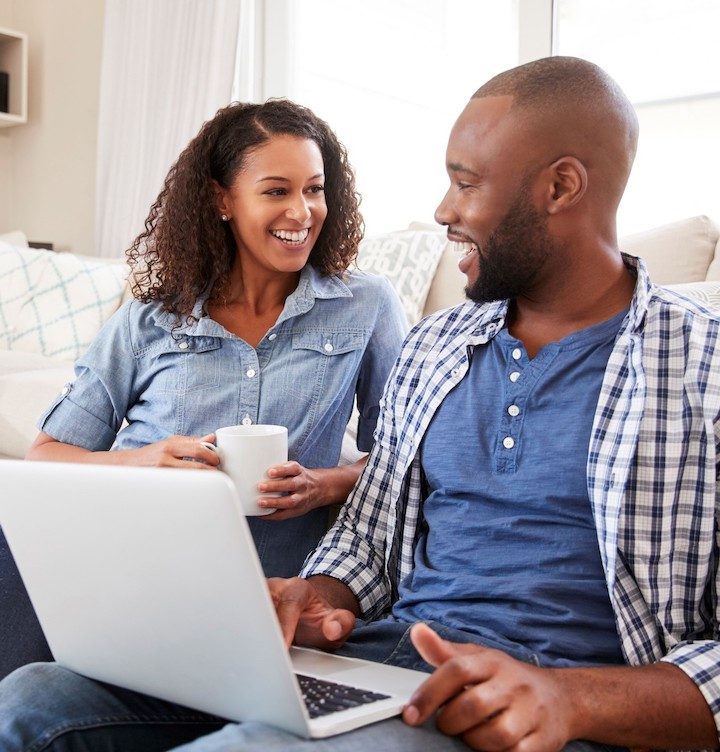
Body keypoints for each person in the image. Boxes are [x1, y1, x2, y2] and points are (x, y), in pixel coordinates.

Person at [0, 55, 718, 752]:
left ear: (560, 187)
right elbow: (371, 540)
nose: (442, 211)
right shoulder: (438, 345)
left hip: (535, 700)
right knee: (35, 699)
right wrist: (316, 599)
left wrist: (569, 699)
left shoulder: (700, 365)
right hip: (383, 664)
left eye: (464, 183)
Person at [0, 99, 407, 678]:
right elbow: (45, 455)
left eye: (314, 189)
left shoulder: (365, 306)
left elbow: (402, 461)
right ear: (222, 200)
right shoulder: (149, 320)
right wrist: (145, 461)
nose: (302, 210)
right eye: (276, 191)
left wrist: (323, 485)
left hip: (274, 576)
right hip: (136, 551)